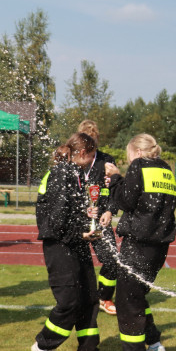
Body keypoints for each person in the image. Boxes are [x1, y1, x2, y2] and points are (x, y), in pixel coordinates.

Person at [105, 133, 176, 351]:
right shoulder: (166, 169)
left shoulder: (139, 165)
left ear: (136, 151)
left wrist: (115, 178)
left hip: (138, 243)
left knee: (127, 304)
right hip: (160, 245)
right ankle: (155, 343)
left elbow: (125, 200)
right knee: (137, 296)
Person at [31, 134, 106, 351]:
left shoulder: (74, 174)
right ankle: (44, 345)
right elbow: (55, 220)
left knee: (89, 298)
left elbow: (68, 211)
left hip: (75, 242)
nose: (93, 161)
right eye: (92, 156)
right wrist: (81, 233)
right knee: (69, 301)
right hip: (60, 246)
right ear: (83, 153)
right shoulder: (62, 173)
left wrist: (87, 217)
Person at [76, 119, 120, 316]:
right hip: (77, 220)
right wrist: (81, 210)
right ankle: (78, 298)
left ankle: (105, 297)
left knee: (112, 260)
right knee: (76, 263)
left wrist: (110, 210)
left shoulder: (107, 160)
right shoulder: (71, 160)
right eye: (87, 142)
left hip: (101, 218)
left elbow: (114, 190)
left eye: (94, 141)